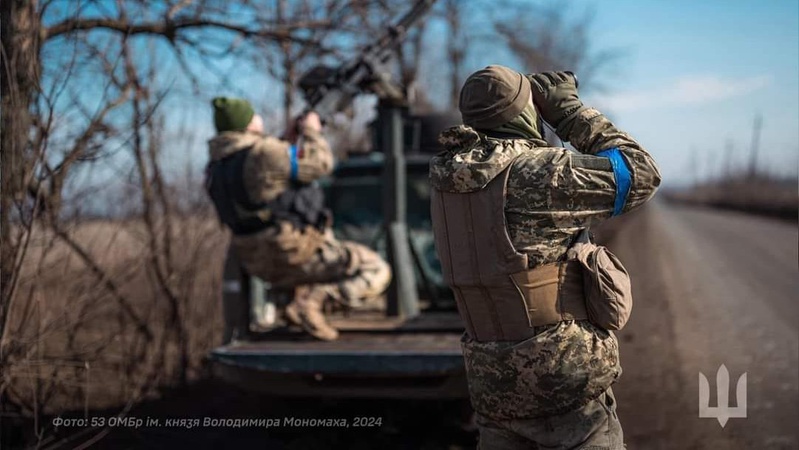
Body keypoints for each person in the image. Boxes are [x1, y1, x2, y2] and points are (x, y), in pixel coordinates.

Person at [429, 66, 661, 449]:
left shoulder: (445, 177)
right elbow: (641, 173)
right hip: (565, 387)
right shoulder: (539, 173)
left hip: (494, 390)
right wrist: (569, 112)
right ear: (523, 114)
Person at [206, 97, 391, 341]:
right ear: (248, 122)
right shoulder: (265, 153)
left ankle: (295, 306)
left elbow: (264, 177)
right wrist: (312, 131)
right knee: (376, 269)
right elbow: (320, 164)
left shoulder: (217, 166)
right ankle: (316, 302)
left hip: (257, 263)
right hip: (294, 253)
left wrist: (289, 138)